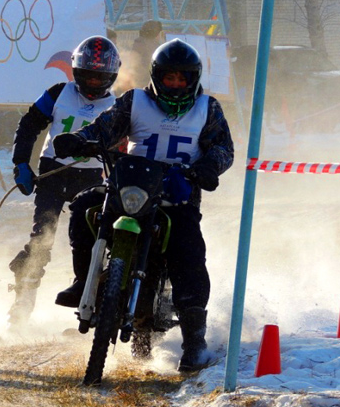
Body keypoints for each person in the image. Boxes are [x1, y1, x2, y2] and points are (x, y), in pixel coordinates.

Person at [51, 39, 234, 372]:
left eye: (182, 79)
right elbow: (104, 128)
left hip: (177, 196)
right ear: (156, 77)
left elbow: (223, 149)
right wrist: (79, 139)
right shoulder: (134, 100)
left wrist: (207, 167)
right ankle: (83, 282)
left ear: (193, 79)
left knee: (189, 253)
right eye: (169, 78)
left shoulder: (208, 108)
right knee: (82, 209)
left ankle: (194, 341)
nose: (175, 84)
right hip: (129, 187)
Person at [7, 36, 121, 329]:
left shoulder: (119, 106)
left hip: (93, 179)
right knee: (42, 236)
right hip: (53, 173)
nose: (94, 83)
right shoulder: (59, 93)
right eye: (88, 75)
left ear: (111, 76)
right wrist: (21, 162)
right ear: (76, 72)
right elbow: (29, 124)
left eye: (101, 77)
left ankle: (88, 302)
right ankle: (21, 305)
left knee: (93, 241)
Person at [130, 20, 163, 88]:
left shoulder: (138, 42)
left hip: (136, 81)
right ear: (157, 34)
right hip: (147, 82)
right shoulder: (154, 47)